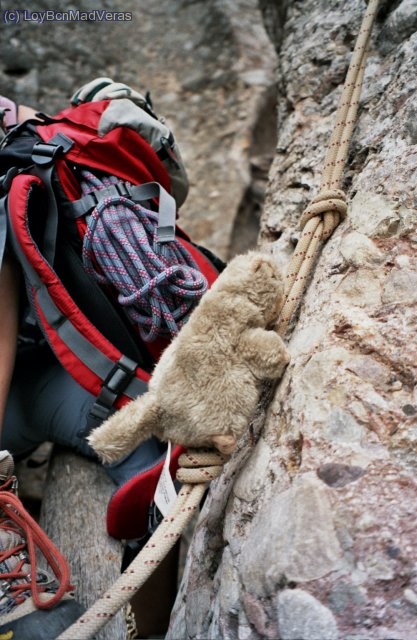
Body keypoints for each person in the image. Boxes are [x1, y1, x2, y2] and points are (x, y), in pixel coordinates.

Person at [0, 92, 174, 638]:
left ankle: (149, 621)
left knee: (144, 440)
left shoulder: (16, 145)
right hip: (28, 387)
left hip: (30, 382)